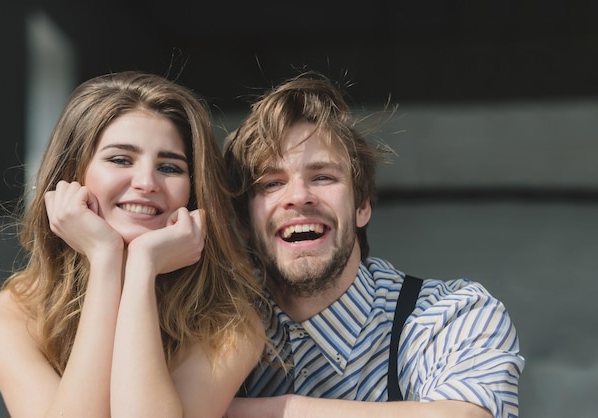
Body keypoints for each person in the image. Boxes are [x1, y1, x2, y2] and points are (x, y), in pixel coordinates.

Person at [222, 73, 525, 418]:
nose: (298, 197)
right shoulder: (212, 324)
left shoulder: (452, 313)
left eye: (322, 177)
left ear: (362, 205)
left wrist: (235, 411)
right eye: (271, 183)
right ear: (244, 223)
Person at [0, 71, 265, 418]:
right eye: (121, 159)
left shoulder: (229, 323)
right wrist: (105, 256)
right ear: (72, 172)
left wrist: (143, 267)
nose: (146, 182)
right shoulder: (11, 315)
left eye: (170, 167)